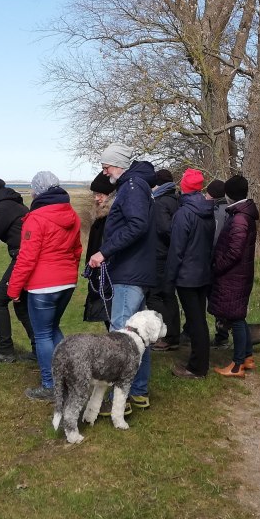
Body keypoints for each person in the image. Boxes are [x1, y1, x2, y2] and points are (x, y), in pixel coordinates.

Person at [88, 142, 157, 409]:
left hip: (130, 272)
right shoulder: (136, 185)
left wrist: (104, 251)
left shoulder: (131, 186)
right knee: (138, 335)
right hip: (134, 269)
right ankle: (138, 391)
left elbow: (137, 225)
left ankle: (120, 400)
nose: (105, 173)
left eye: (106, 167)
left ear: (118, 164)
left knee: (121, 338)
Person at [7, 171, 82, 401]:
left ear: (37, 191)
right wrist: (70, 274)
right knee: (53, 328)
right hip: (66, 281)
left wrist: (13, 289)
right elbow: (77, 250)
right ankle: (72, 375)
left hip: (43, 285)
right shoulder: (72, 214)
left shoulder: (36, 217)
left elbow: (27, 258)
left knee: (42, 334)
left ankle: (50, 385)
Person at [0, 176, 36, 364]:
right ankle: (37, 349)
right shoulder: (14, 204)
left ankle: (5, 351)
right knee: (21, 306)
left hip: (22, 258)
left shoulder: (3, 208)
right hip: (29, 257)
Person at [166, 168, 215, 378]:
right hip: (203, 273)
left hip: (187, 276)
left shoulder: (184, 214)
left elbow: (176, 250)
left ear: (184, 187)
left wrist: (169, 280)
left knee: (196, 322)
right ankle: (199, 363)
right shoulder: (208, 210)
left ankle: (197, 367)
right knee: (199, 320)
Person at [210, 175, 259, 378]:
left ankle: (237, 365)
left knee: (236, 319)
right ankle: (247, 357)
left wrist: (217, 267)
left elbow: (234, 251)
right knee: (239, 316)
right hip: (239, 274)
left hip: (234, 275)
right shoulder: (242, 212)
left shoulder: (239, 217)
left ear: (229, 194)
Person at [148, 168, 182, 351]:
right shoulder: (175, 199)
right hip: (169, 255)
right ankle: (173, 335)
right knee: (169, 295)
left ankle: (168, 336)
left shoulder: (160, 203)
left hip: (160, 255)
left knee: (155, 296)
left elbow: (164, 229)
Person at [82, 171, 116, 328]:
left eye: (100, 194)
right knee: (108, 318)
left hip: (110, 275)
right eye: (95, 194)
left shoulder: (113, 218)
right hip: (100, 274)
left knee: (115, 319)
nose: (96, 198)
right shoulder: (101, 217)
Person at [204, 178, 231, 349]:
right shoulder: (229, 210)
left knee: (213, 299)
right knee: (220, 300)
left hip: (213, 261)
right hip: (224, 262)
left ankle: (222, 337)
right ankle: (222, 336)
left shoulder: (214, 211)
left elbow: (213, 239)